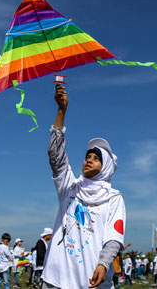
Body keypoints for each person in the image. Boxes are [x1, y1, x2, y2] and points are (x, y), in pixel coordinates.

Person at [40, 83, 126, 289]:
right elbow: (56, 156)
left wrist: (104, 264)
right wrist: (61, 111)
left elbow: (113, 239)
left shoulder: (114, 198)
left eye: (96, 158)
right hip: (55, 280)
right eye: (88, 156)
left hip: (89, 280)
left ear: (105, 168)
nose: (89, 160)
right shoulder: (70, 186)